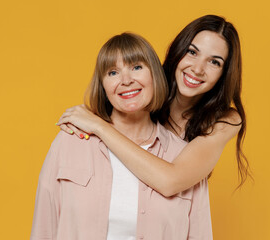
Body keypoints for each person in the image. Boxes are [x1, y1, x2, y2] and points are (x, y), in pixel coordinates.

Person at [31, 33, 212, 240]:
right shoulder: (71, 141)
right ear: (104, 86)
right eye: (113, 72)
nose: (126, 80)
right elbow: (43, 229)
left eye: (136, 67)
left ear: (154, 75)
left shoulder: (182, 157)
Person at [57, 15, 251, 197]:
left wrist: (99, 127)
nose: (198, 69)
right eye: (192, 52)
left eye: (214, 62)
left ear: (224, 74)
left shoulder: (226, 120)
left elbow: (170, 182)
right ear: (178, 49)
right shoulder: (147, 87)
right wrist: (80, 119)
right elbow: (111, 98)